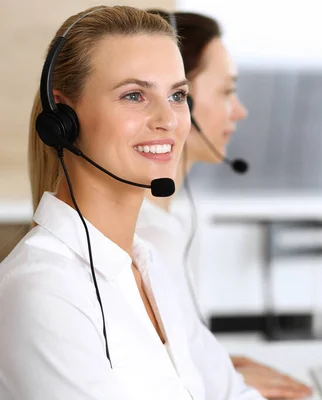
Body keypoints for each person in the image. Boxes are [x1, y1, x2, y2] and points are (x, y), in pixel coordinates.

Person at [0, 6, 264, 400]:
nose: (169, 119)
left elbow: (230, 394)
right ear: (63, 118)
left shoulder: (147, 265)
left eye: (177, 95)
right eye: (134, 95)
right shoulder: (42, 291)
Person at [136, 10, 313, 400]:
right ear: (180, 99)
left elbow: (160, 359)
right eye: (226, 91)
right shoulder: (145, 237)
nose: (240, 111)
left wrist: (218, 364)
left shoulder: (167, 218)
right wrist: (229, 385)